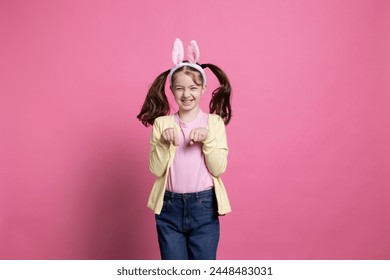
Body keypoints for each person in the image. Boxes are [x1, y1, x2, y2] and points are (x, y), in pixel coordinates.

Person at [137, 38, 232, 260]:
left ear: (203, 88)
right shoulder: (162, 124)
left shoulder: (214, 123)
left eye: (193, 88)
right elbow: (156, 170)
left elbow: (218, 169)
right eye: (179, 88)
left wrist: (207, 140)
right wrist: (162, 141)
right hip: (169, 206)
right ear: (171, 89)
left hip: (204, 207)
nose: (186, 94)